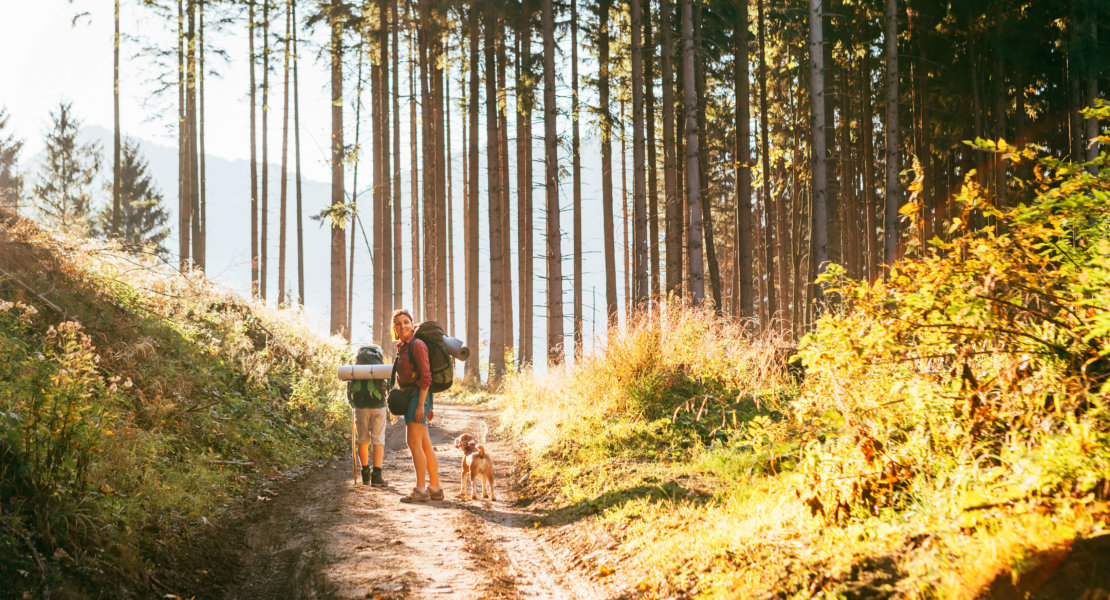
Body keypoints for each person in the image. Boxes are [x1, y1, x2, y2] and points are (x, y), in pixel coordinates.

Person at [390, 309, 443, 503]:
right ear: (394, 327)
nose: (402, 326)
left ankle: (421, 489)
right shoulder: (403, 347)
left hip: (418, 396)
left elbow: (426, 377)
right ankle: (435, 488)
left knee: (413, 443)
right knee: (424, 444)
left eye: (406, 322)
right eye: (398, 323)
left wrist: (421, 405)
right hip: (415, 396)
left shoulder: (417, 344)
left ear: (412, 325)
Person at [347, 345, 391, 487]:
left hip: (360, 407)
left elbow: (349, 386)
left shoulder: (357, 368)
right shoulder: (379, 366)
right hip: (378, 406)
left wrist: (352, 403)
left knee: (363, 440)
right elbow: (388, 385)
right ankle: (377, 476)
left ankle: (365, 474)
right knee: (378, 440)